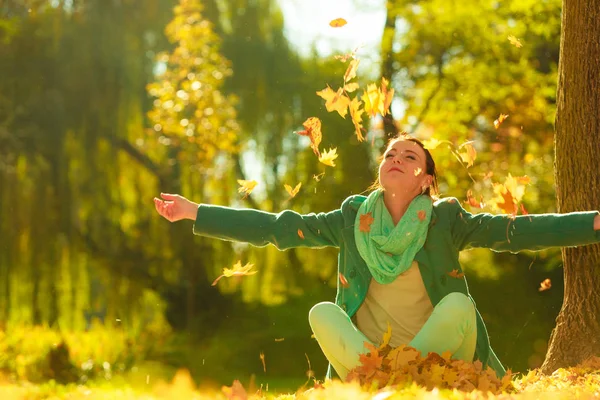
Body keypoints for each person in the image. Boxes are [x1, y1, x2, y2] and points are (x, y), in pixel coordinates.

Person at [153, 133, 600, 381]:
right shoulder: (351, 217)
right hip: (369, 358)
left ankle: (394, 382)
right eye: (391, 153)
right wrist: (197, 213)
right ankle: (381, 376)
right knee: (322, 313)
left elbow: (516, 232)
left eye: (411, 156)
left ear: (425, 180)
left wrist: (592, 223)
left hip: (442, 360)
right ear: (380, 170)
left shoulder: (446, 219)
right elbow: (279, 228)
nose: (398, 158)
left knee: (460, 306)